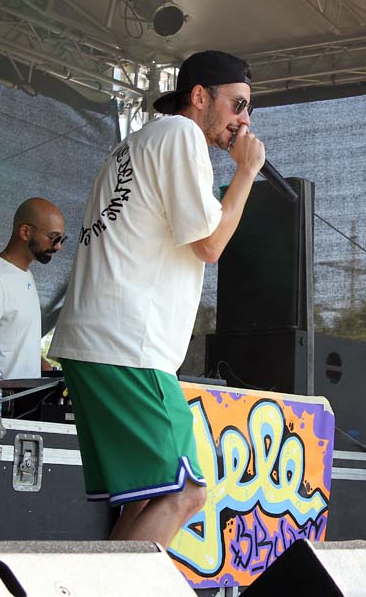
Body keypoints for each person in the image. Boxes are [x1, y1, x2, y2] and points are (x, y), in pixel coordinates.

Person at [49, 50, 266, 548]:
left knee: (148, 497)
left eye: (248, 109)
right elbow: (210, 244)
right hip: (127, 344)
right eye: (237, 104)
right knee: (186, 492)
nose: (244, 120)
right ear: (199, 97)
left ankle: (104, 584)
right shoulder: (181, 135)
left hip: (98, 343)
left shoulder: (138, 143)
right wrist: (246, 172)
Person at [0, 197, 66, 407]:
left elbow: (14, 340)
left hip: (26, 401)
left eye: (62, 239)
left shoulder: (26, 275)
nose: (59, 246)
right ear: (25, 232)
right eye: (53, 238)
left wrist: (43, 366)